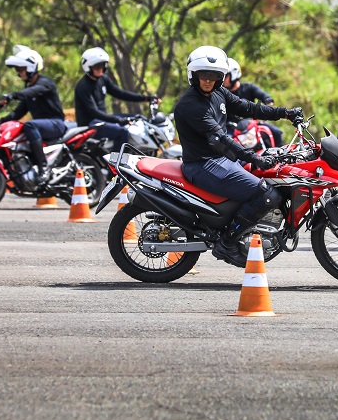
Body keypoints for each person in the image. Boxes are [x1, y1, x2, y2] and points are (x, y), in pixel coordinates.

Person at [174, 46, 303, 267]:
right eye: (203, 76)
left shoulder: (219, 93)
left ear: (220, 77)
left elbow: (250, 108)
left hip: (221, 160)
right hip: (204, 165)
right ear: (193, 76)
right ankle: (228, 242)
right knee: (266, 194)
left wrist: (284, 113)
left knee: (274, 170)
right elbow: (222, 138)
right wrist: (254, 158)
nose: (208, 81)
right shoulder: (190, 106)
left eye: (213, 76)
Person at [0, 45, 67, 189]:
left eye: (20, 69)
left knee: (29, 125)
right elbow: (16, 114)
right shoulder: (28, 92)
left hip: (56, 124)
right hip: (43, 126)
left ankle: (44, 167)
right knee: (21, 129)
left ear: (31, 68)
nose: (18, 73)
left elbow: (31, 92)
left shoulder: (45, 83)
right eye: (17, 70)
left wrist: (12, 96)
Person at [75, 47, 159, 149]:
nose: (100, 69)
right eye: (97, 67)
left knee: (139, 118)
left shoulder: (103, 79)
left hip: (102, 120)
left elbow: (121, 93)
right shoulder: (83, 86)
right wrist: (118, 120)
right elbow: (94, 112)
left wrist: (146, 98)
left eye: (103, 65)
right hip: (90, 124)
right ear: (88, 67)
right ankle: (115, 163)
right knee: (122, 132)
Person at [223, 57, 284, 147]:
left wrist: (268, 104)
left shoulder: (249, 87)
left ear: (234, 74)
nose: (222, 80)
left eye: (225, 76)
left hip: (253, 124)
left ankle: (283, 155)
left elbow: (264, 96)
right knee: (225, 144)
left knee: (276, 132)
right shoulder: (222, 93)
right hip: (232, 128)